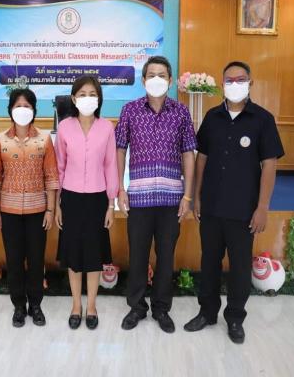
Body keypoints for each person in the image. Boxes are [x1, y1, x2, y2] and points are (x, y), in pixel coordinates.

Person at [184, 61, 284, 344]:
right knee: (209, 262)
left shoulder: (262, 119)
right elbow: (202, 158)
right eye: (229, 80)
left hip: (244, 210)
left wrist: (262, 207)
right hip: (212, 207)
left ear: (250, 84)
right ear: (222, 84)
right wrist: (196, 196)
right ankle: (207, 313)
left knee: (240, 267)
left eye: (241, 80)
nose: (235, 84)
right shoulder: (212, 117)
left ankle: (235, 318)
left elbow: (269, 164)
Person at [115, 56, 196, 332]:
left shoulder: (181, 112)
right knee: (138, 256)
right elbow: (120, 149)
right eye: (151, 75)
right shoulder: (130, 110)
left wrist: (187, 196)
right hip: (138, 198)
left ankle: (161, 308)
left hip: (171, 200)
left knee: (166, 256)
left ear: (170, 80)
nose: (157, 79)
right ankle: (137, 307)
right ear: (143, 80)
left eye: (162, 75)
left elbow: (188, 153)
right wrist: (120, 189)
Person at [0, 88, 59, 328]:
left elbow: (51, 176)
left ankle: (35, 305)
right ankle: (19, 305)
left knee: (36, 260)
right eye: (18, 106)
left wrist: (50, 210)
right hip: (8, 211)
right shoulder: (0, 140)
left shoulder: (44, 139)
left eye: (27, 106)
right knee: (14, 260)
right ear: (10, 110)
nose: (22, 110)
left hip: (38, 211)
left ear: (34, 110)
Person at [54, 76, 118, 330]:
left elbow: (110, 165)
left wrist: (111, 205)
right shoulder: (65, 127)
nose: (87, 98)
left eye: (92, 94)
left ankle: (91, 306)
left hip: (97, 199)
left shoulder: (107, 128)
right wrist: (57, 204)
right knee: (73, 256)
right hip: (70, 198)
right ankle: (75, 306)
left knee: (93, 255)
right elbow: (59, 167)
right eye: (82, 94)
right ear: (73, 98)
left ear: (99, 98)